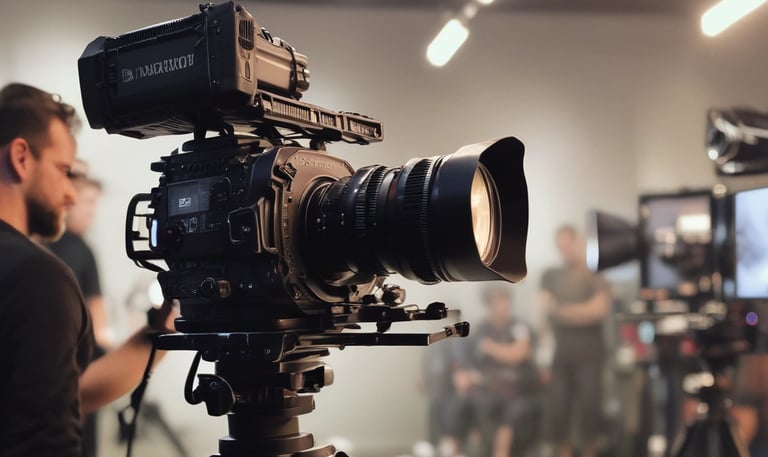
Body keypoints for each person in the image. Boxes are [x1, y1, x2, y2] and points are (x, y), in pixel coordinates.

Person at [0, 82, 174, 457]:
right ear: (21, 158)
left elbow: (62, 395)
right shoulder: (37, 277)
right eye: (64, 171)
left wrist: (161, 331)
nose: (71, 194)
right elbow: (45, 444)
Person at [46, 166, 111, 457]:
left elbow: (99, 317)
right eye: (88, 201)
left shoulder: (36, 244)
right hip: (73, 375)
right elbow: (100, 321)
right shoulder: (74, 250)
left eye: (94, 203)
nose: (90, 211)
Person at [441, 285, 539, 457]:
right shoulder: (481, 329)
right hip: (489, 388)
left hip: (518, 389)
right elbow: (469, 362)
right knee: (458, 404)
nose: (500, 306)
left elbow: (519, 353)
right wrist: (465, 376)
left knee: (513, 414)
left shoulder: (520, 326)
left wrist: (491, 347)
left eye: (503, 301)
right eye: (495, 302)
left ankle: (501, 451)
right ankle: (454, 449)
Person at [539, 224, 611, 457]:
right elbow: (543, 310)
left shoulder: (594, 274)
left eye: (568, 244)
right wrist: (575, 313)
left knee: (590, 412)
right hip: (561, 357)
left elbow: (598, 310)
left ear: (577, 242)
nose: (565, 250)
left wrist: (561, 311)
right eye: (561, 246)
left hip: (590, 356)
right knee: (559, 413)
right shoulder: (551, 275)